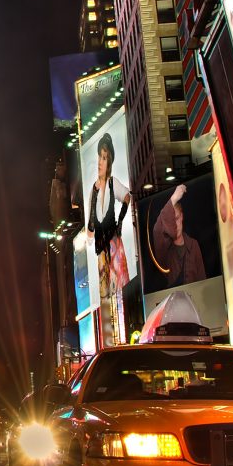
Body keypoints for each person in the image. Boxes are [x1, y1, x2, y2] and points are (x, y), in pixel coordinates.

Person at [87, 133, 131, 328]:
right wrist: (89, 234)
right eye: (99, 157)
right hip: (101, 252)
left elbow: (128, 197)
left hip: (113, 246)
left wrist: (120, 221)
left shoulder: (113, 183)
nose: (100, 162)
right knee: (105, 299)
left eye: (104, 158)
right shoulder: (93, 190)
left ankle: (125, 328)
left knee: (120, 294)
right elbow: (90, 221)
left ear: (109, 161)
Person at [152, 183, 206, 288]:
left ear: (182, 217)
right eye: (171, 221)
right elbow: (157, 230)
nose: (175, 225)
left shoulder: (193, 245)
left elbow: (202, 279)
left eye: (176, 219)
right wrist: (173, 199)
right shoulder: (165, 250)